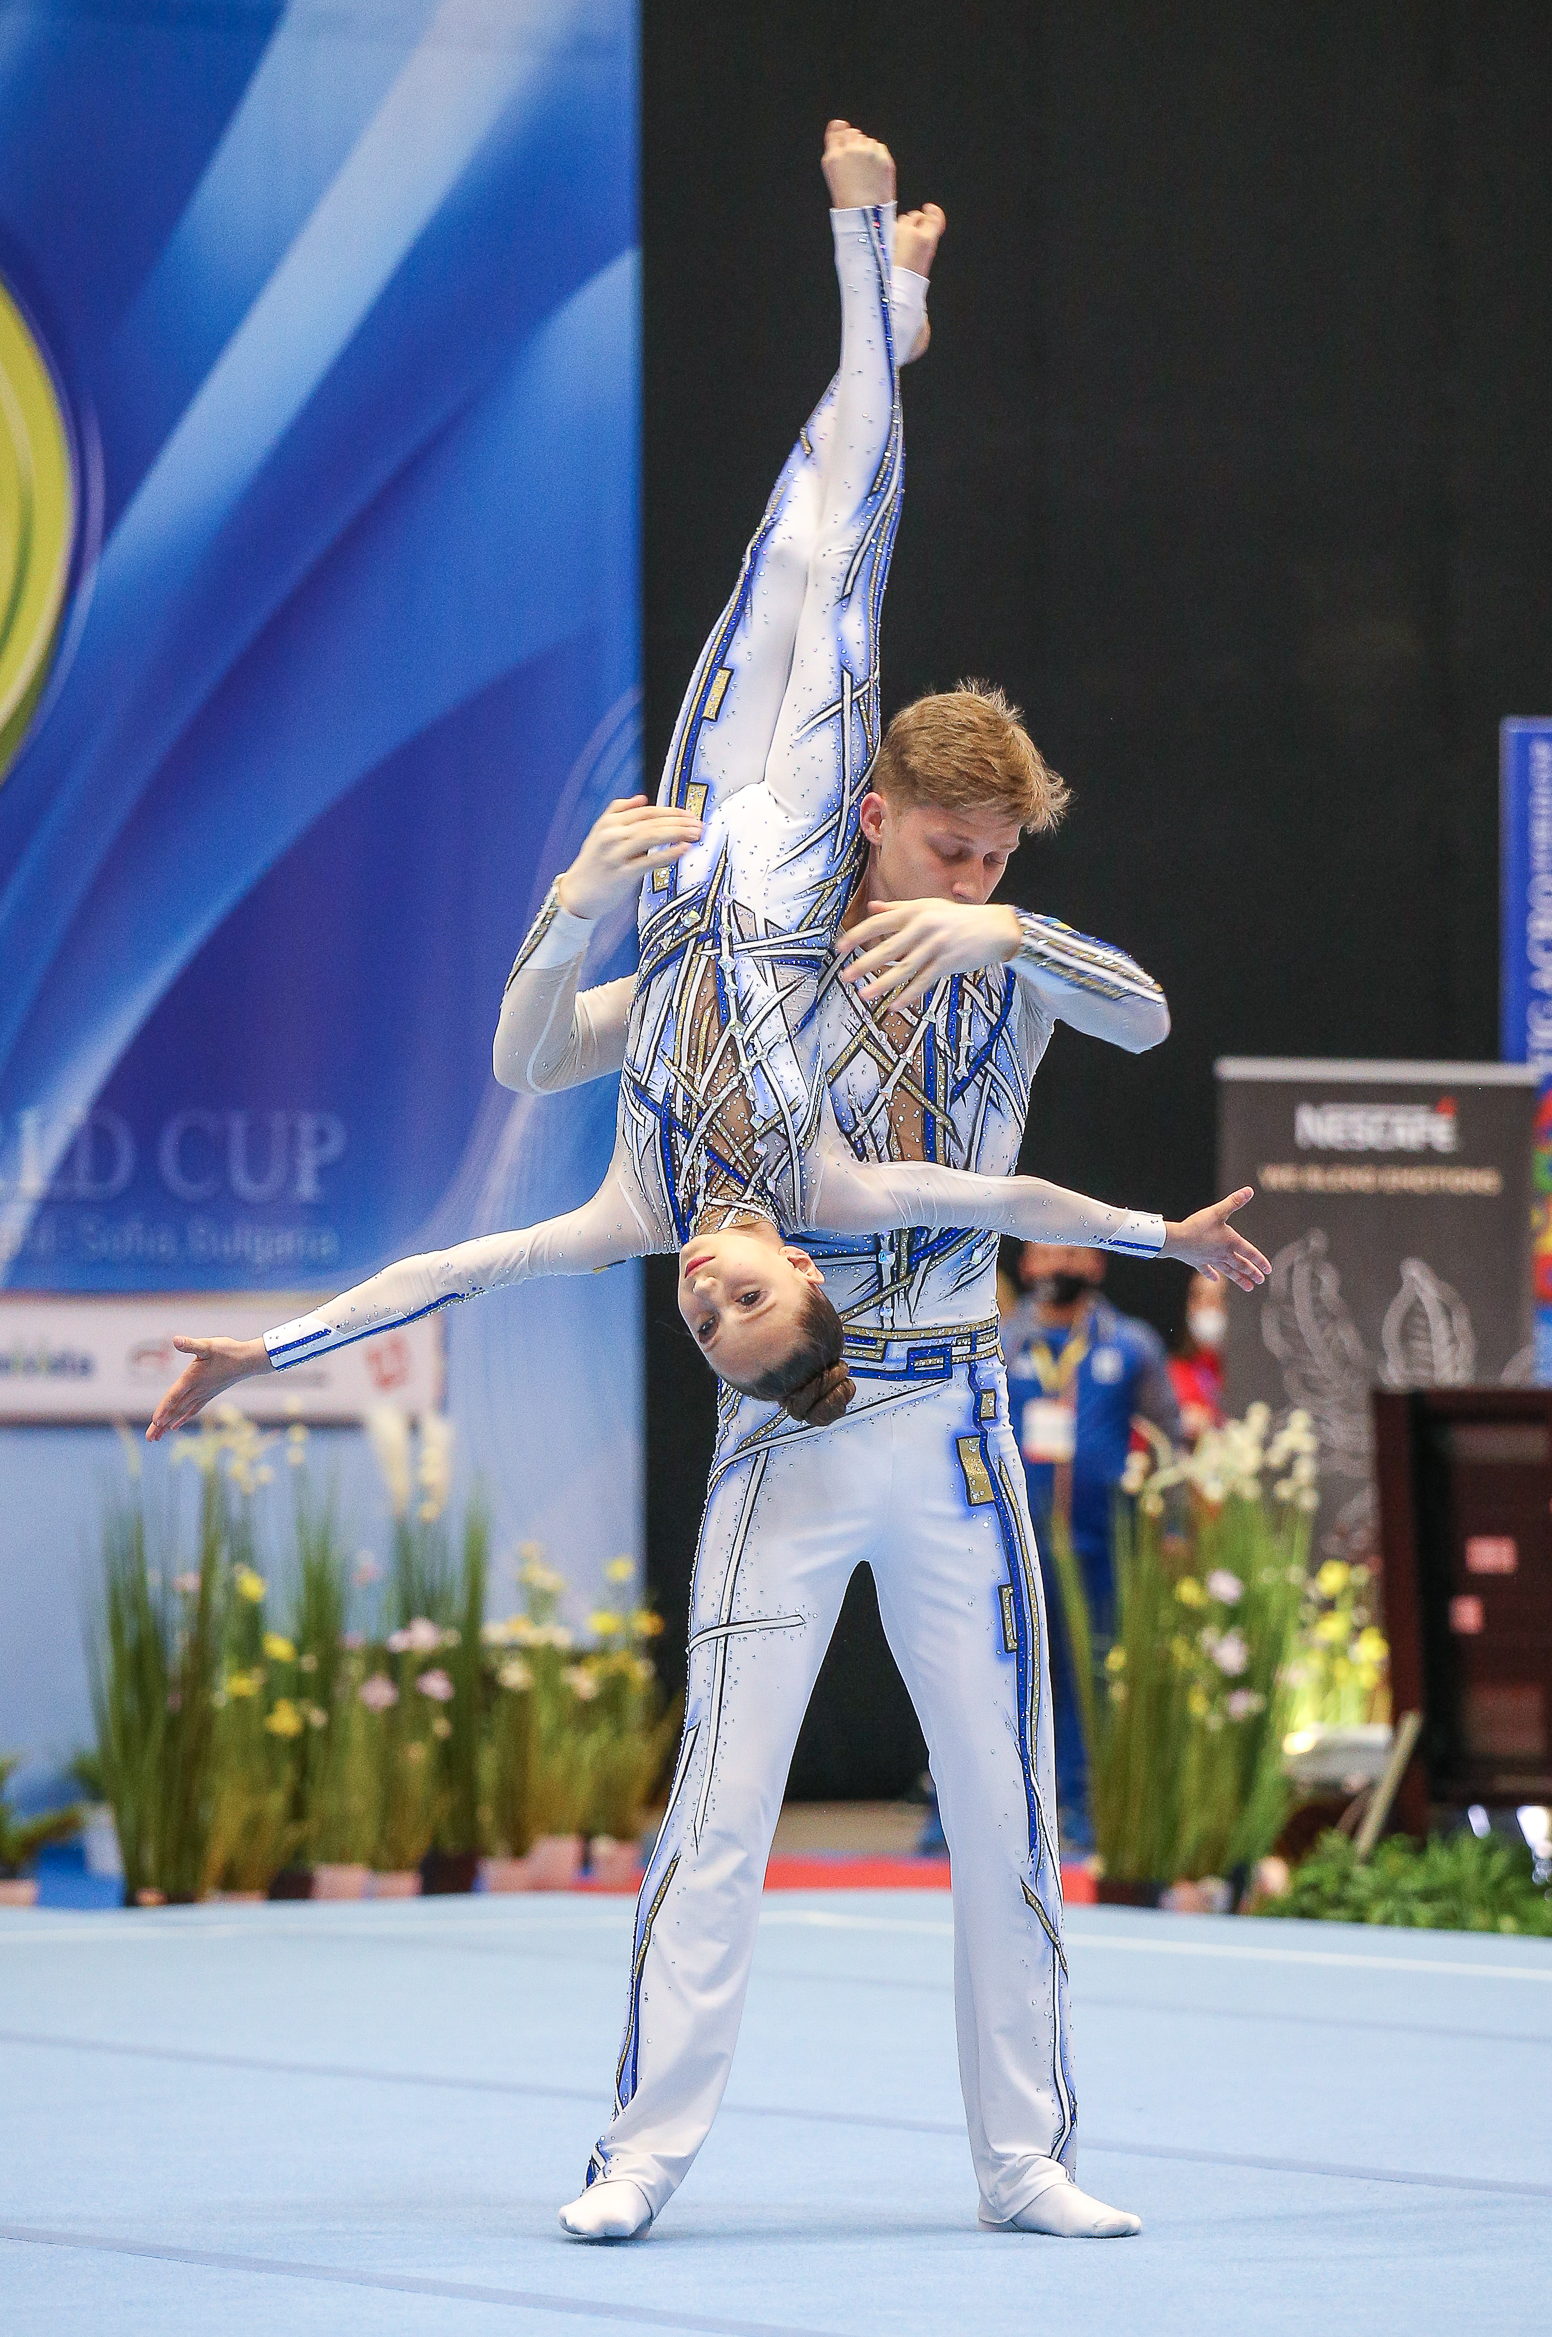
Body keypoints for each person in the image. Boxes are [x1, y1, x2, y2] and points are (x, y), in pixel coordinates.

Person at [147, 125, 1267, 2246]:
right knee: (718, 1818)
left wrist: (1003, 934)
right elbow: (535, 1166)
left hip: (943, 1415)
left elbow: (1127, 1028)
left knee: (1005, 1804)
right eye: (952, 849)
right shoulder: (775, 1084)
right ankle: (641, 2156)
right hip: (802, 1422)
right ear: (880, 814)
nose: (969, 870)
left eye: (997, 855)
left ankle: (1024, 2155)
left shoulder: (931, 986)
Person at [1003, 1244, 1180, 1847]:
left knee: (1091, 1675)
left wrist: (1173, 1528)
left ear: (1097, 1265)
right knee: (1002, 1675)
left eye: (1074, 1254)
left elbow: (1169, 1440)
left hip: (1101, 1544)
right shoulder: (1001, 1341)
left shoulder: (1131, 1344)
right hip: (1013, 1544)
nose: (1061, 1267)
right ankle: (981, 1813)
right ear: (1027, 1264)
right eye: (1048, 1254)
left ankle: (1083, 1806)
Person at [1169, 1268, 1228, 1439]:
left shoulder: (1253, 1372)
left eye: (1218, 1297)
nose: (1207, 1306)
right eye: (1199, 1297)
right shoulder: (1174, 1372)